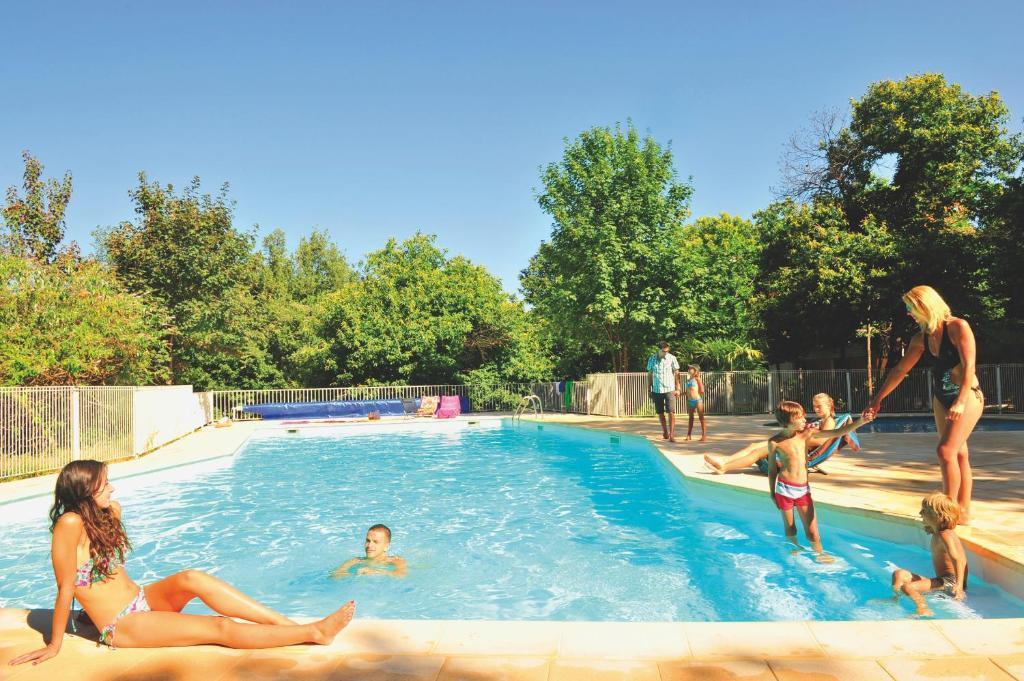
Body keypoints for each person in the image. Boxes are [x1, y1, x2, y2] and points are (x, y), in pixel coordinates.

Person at [10, 460, 355, 666]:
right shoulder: (69, 525)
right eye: (105, 484)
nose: (112, 489)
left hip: (142, 600)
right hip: (123, 624)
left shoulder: (110, 513)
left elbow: (108, 573)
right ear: (85, 491)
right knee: (218, 627)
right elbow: (66, 588)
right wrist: (54, 645)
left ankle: (285, 625)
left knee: (193, 577)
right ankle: (314, 633)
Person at [863, 285, 983, 524]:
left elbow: (970, 365)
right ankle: (964, 512)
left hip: (967, 396)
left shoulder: (958, 327)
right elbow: (900, 370)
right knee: (958, 454)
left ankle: (947, 513)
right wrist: (876, 400)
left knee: (945, 451)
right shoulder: (921, 338)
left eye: (910, 307)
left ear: (924, 305)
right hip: (941, 398)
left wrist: (960, 401)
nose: (908, 312)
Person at [766, 400, 874, 562]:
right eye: (800, 417)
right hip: (783, 489)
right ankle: (793, 551)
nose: (805, 420)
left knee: (812, 531)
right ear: (789, 421)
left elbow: (837, 432)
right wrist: (772, 492)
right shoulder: (774, 442)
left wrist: (860, 422)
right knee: (790, 527)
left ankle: (819, 554)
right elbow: (772, 469)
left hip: (802, 490)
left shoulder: (806, 435)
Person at [703, 393, 838, 474]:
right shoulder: (822, 420)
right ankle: (723, 460)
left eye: (819, 406)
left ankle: (725, 467)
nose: (816, 409)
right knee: (753, 445)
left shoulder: (829, 422)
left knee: (758, 452)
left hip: (796, 448)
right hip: (794, 442)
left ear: (829, 405)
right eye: (815, 406)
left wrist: (797, 438)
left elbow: (821, 441)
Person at [890, 492, 968, 617]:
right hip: (941, 580)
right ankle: (894, 600)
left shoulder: (945, 535)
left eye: (925, 511)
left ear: (939, 516)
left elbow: (959, 559)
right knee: (899, 574)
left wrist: (959, 585)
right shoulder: (939, 532)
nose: (920, 513)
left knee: (908, 588)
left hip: (950, 582)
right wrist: (931, 527)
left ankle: (923, 609)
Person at [331, 524, 408, 578]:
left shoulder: (396, 560)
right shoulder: (356, 561)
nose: (369, 545)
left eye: (375, 542)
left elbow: (401, 575)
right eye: (368, 541)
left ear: (386, 546)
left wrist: (376, 572)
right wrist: (354, 575)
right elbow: (334, 575)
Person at [646, 341, 681, 442]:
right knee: (660, 413)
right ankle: (665, 431)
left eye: (667, 351)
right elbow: (649, 375)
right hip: (657, 390)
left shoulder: (672, 358)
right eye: (663, 351)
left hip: (670, 389)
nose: (665, 353)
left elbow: (677, 373)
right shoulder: (652, 359)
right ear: (659, 350)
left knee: (671, 412)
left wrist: (678, 388)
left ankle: (672, 434)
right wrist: (649, 389)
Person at [683, 365, 707, 441]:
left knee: (701, 418)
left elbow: (702, 390)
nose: (689, 369)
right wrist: (680, 394)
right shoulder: (688, 379)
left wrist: (696, 394)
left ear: (696, 371)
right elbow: (687, 391)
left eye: (691, 369)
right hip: (689, 401)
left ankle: (704, 435)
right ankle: (689, 435)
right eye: (689, 368)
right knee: (690, 418)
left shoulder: (697, 379)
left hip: (697, 401)